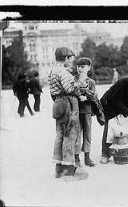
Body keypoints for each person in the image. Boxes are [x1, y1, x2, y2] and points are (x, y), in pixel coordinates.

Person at [48, 47, 88, 179]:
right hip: (69, 104)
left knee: (59, 135)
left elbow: (53, 92)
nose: (72, 62)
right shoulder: (63, 72)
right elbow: (70, 88)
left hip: (58, 104)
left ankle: (58, 168)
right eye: (71, 59)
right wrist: (80, 81)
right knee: (70, 135)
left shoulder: (52, 71)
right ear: (65, 58)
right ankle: (69, 168)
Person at [74, 57, 97, 167]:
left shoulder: (91, 82)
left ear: (88, 68)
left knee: (87, 134)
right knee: (76, 135)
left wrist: (86, 98)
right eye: (78, 66)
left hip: (87, 111)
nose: (80, 69)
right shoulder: (73, 79)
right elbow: (71, 92)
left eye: (82, 66)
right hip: (76, 111)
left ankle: (87, 157)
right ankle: (76, 158)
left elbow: (94, 96)